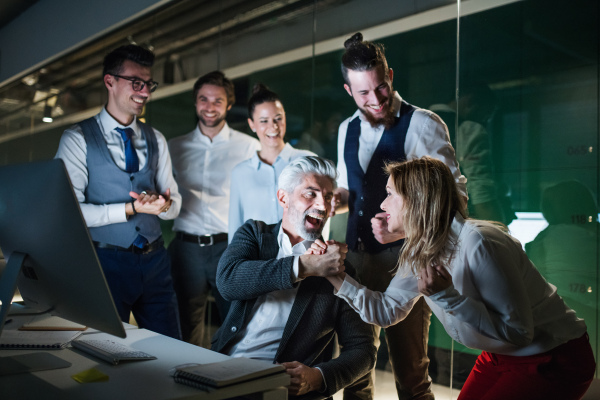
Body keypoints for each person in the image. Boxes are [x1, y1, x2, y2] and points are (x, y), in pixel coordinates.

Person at [317, 156, 595, 400]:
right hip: (499, 355)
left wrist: (445, 296)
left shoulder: (480, 243)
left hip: (553, 357)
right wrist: (334, 275)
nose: (382, 203)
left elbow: (520, 333)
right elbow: (387, 311)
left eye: (390, 194)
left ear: (416, 200)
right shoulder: (420, 246)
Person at [333, 32, 466, 400]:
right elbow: (350, 193)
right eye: (363, 93)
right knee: (354, 370)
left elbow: (453, 197)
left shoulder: (423, 124)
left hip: (404, 261)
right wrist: (331, 200)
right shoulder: (346, 129)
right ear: (349, 91)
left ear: (389, 74)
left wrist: (401, 231)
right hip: (356, 259)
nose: (375, 100)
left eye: (381, 88)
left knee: (410, 374)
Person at [214, 156, 376, 400]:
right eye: (310, 194)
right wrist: (305, 266)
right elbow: (228, 281)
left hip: (285, 388)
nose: (323, 206)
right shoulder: (255, 234)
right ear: (283, 198)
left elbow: (363, 350)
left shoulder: (340, 268)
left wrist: (318, 377)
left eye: (328, 196)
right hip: (226, 369)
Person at [55, 44, 182, 339]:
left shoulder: (156, 139)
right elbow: (69, 211)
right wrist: (131, 209)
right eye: (136, 83)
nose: (145, 92)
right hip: (103, 264)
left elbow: (175, 205)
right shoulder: (76, 139)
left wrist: (160, 204)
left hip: (155, 263)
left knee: (173, 349)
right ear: (109, 81)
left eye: (148, 84)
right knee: (105, 350)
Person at [168, 71, 260, 347]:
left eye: (217, 100)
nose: (209, 107)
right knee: (183, 327)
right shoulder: (174, 147)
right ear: (195, 103)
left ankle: (231, 384)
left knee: (235, 323)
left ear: (229, 105)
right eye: (203, 99)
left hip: (228, 247)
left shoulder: (248, 147)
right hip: (185, 250)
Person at [228, 83, 315, 240]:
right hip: (258, 260)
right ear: (252, 124)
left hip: (302, 255)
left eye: (278, 118)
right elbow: (235, 229)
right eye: (263, 121)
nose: (273, 126)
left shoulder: (308, 162)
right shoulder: (240, 172)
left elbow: (321, 211)